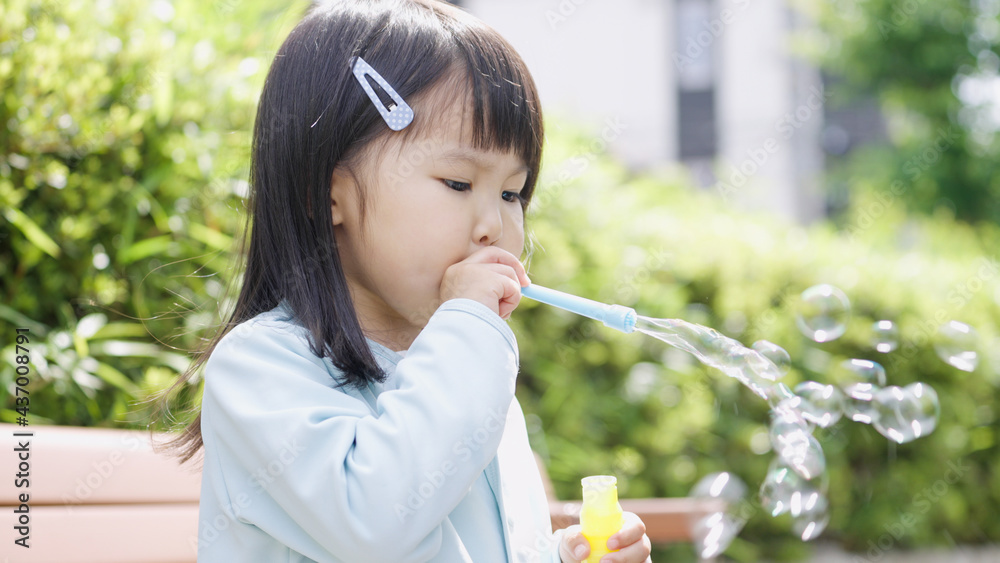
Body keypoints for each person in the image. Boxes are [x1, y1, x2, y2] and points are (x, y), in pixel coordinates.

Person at [163, 1, 651, 561]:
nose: (494, 225)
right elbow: (375, 522)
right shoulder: (259, 369)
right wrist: (469, 333)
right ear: (326, 195)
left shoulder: (469, 379)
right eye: (458, 182)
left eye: (512, 193)